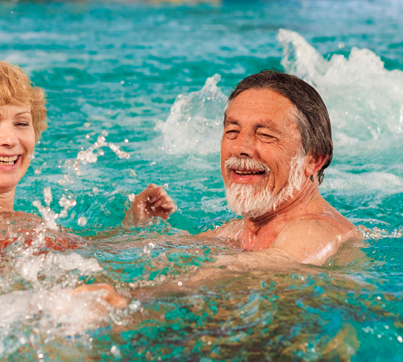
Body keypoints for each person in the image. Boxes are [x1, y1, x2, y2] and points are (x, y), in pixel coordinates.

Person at [0, 56, 160, 302]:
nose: (10, 139)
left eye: (21, 123)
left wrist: (135, 225)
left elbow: (90, 252)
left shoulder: (21, 222)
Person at [132, 70, 360, 275]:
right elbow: (131, 251)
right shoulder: (238, 231)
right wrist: (142, 227)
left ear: (313, 159)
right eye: (233, 131)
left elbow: (273, 266)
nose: (240, 147)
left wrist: (131, 298)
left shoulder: (317, 230)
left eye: (265, 135)